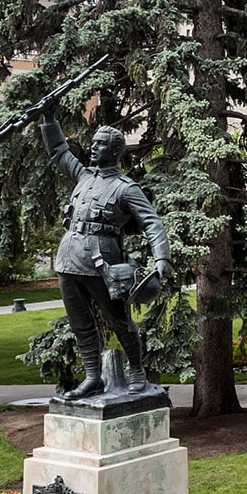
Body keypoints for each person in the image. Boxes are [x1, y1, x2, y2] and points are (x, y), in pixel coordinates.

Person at [37, 110, 170, 399]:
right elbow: (60, 151)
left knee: (119, 322)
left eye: (99, 144)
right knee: (80, 324)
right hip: (69, 259)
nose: (92, 148)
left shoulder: (126, 188)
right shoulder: (83, 177)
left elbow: (151, 222)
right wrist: (48, 119)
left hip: (102, 264)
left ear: (113, 151)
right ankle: (93, 377)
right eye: (94, 143)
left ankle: (137, 371)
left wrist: (161, 261)